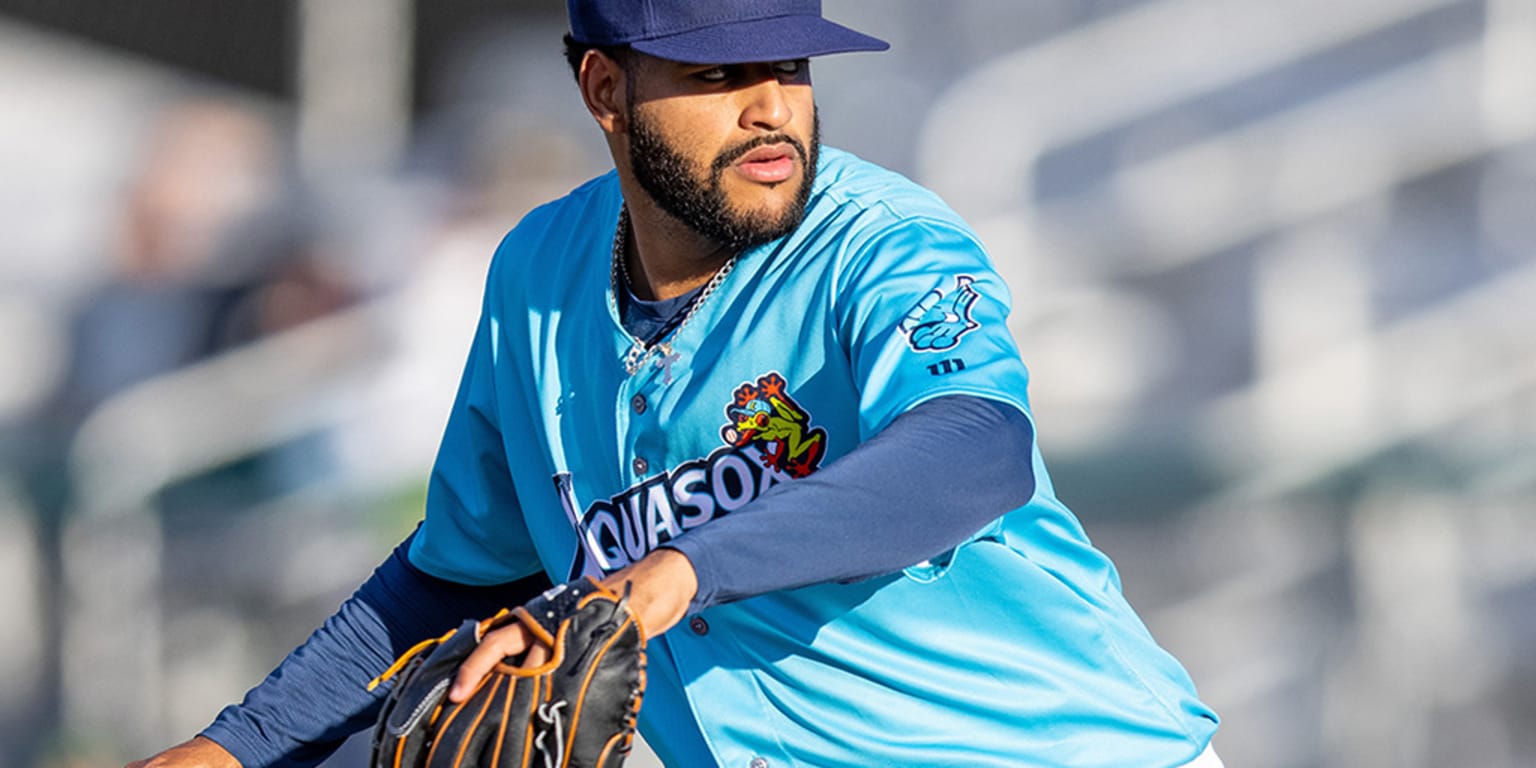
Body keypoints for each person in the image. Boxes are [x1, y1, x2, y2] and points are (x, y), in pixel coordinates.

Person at [131, 1, 1222, 766]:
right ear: (604, 87)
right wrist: (235, 750)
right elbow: (461, 574)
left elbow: (973, 448)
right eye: (717, 76)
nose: (770, 110)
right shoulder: (537, 279)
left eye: (788, 68)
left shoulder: (881, 242)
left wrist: (672, 574)